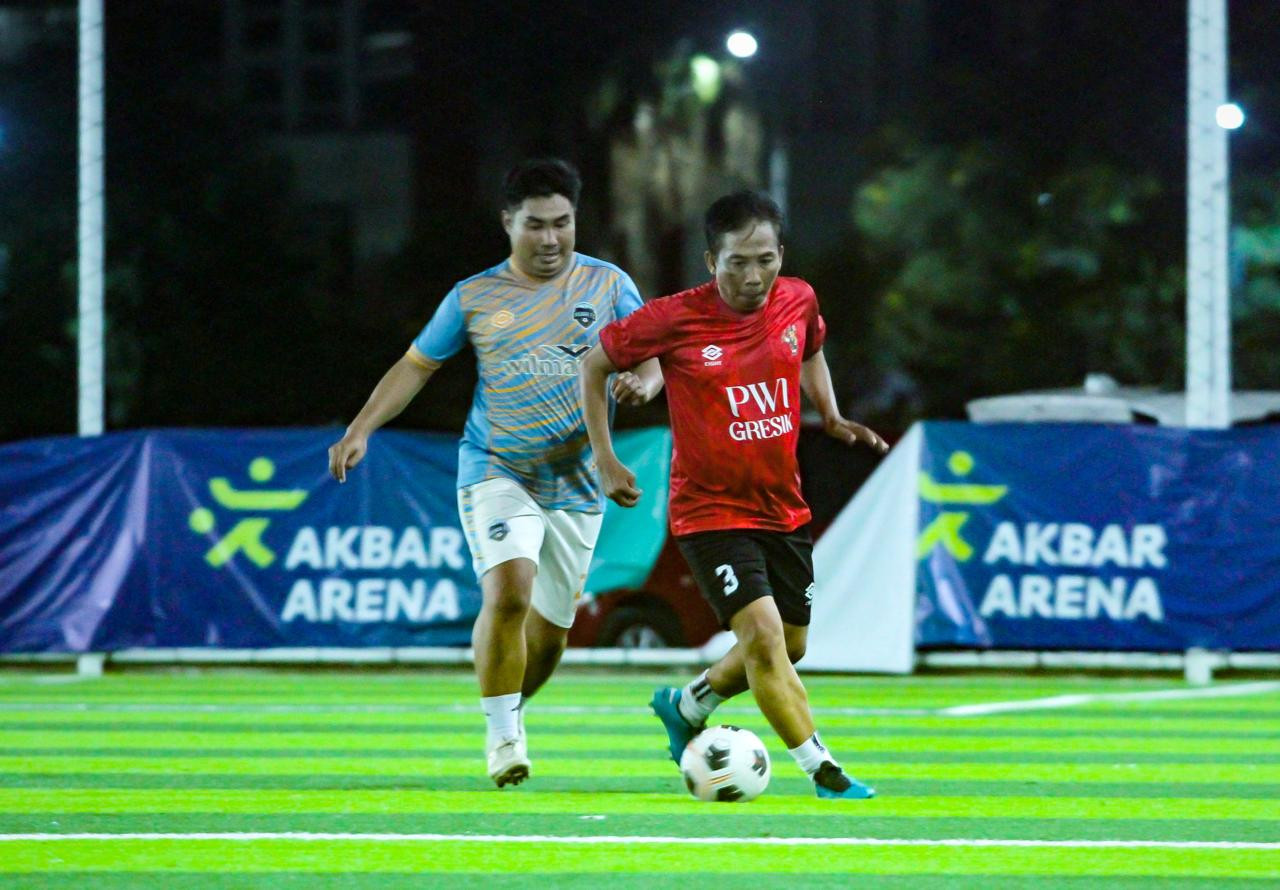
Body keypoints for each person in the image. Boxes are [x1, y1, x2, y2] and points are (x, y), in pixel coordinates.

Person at [328, 158, 662, 788]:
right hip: (495, 467)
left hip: (578, 481)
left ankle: (509, 709)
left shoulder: (610, 285)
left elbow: (651, 359)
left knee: (553, 638)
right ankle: (503, 736)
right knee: (509, 591)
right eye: (535, 224)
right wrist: (361, 427)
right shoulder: (474, 296)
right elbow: (416, 365)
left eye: (562, 223)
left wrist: (642, 385)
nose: (551, 238)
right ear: (509, 223)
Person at [580, 190, 887, 799]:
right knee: (766, 640)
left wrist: (830, 413)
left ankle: (688, 705)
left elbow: (813, 351)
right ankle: (823, 770)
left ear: (781, 254)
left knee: (789, 643)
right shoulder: (674, 318)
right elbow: (594, 366)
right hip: (710, 514)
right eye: (736, 263)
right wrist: (606, 457)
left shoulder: (798, 299)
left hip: (782, 507)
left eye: (765, 259)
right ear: (709, 261)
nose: (753, 276)